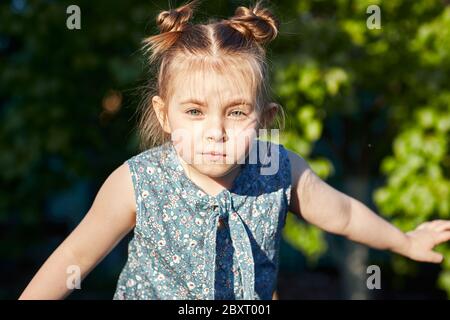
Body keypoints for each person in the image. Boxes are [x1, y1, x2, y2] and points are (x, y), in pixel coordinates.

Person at [19, 0, 450, 300]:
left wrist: (404, 241)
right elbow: (74, 256)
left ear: (264, 120)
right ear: (165, 115)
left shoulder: (279, 172)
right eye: (193, 111)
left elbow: (345, 215)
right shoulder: (138, 182)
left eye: (236, 112)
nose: (215, 131)